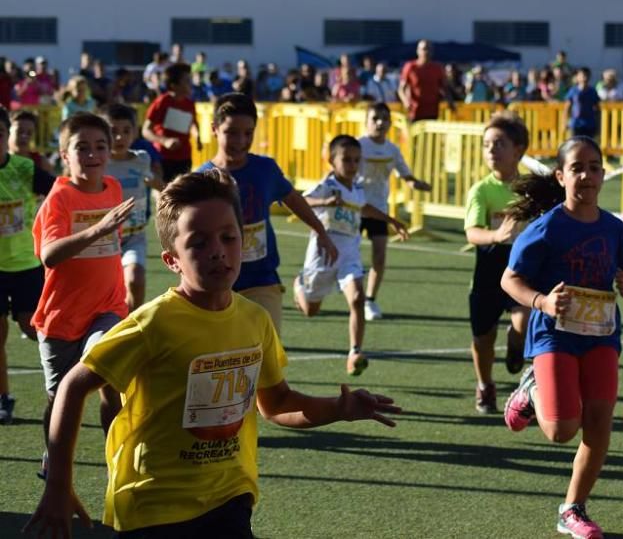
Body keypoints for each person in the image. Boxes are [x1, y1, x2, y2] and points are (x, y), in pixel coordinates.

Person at [24, 169, 401, 538]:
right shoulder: (153, 324)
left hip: (230, 497)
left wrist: (338, 409)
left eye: (228, 237)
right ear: (172, 260)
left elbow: (276, 402)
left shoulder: (254, 320)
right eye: (199, 243)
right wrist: (58, 485)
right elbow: (73, 386)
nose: (218, 252)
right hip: (156, 506)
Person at [501, 136, 623, 539]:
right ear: (561, 176)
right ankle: (530, 392)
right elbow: (509, 279)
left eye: (595, 167)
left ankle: (573, 508)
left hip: (601, 336)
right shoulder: (546, 229)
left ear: (603, 175)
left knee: (599, 425)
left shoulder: (615, 229)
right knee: (561, 430)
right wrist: (542, 302)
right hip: (555, 336)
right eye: (577, 168)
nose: (587, 175)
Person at [32, 112, 136, 478]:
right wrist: (100, 228)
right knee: (60, 398)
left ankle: (117, 458)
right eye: (82, 148)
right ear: (64, 154)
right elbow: (50, 254)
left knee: (109, 381)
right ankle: (54, 457)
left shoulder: (113, 187)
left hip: (107, 308)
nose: (92, 154)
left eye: (100, 146)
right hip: (61, 316)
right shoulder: (60, 197)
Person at [196, 94, 339, 335]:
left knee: (267, 349)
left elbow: (292, 198)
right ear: (214, 129)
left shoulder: (265, 169)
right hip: (216, 280)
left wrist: (320, 231)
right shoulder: (203, 178)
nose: (241, 141)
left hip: (261, 278)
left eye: (248, 133)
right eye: (231, 132)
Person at [292, 135, 408, 376]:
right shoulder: (327, 185)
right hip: (323, 251)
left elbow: (363, 207)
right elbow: (301, 200)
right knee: (311, 310)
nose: (352, 165)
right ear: (332, 161)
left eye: (356, 160)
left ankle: (354, 352)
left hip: (349, 252)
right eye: (346, 159)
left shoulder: (356, 187)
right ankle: (299, 285)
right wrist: (326, 201)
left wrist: (391, 220)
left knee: (356, 298)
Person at [464, 114, 532, 414]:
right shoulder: (481, 190)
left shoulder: (530, 189)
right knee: (483, 337)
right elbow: (472, 232)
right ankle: (485, 384)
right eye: (487, 144)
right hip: (488, 269)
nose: (491, 150)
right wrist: (497, 234)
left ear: (518, 150)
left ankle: (516, 345)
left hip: (522, 268)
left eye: (499, 144)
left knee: (524, 318)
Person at [0, 107, 55, 425]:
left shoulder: (24, 168)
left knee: (30, 327)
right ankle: (4, 398)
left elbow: (60, 192)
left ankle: (65, 366)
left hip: (25, 264)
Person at [356, 103, 430, 320]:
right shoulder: (358, 145)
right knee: (346, 255)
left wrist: (416, 184)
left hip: (379, 210)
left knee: (379, 257)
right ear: (366, 122)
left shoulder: (392, 149)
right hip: (355, 209)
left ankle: (370, 300)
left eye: (384, 119)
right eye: (375, 118)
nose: (380, 123)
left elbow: (405, 175)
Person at [102, 104, 163, 312]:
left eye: (126, 131)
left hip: (133, 236)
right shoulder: (99, 163)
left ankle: (131, 322)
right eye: (113, 131)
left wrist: (172, 193)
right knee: (103, 292)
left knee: (136, 279)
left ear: (135, 132)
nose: (119, 137)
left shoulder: (141, 159)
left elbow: (153, 181)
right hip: (103, 237)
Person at [143, 62, 201, 183]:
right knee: (166, 194)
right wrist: (165, 141)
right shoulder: (162, 102)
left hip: (184, 156)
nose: (191, 84)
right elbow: (146, 131)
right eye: (186, 81)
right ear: (174, 85)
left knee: (182, 193)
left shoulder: (190, 103)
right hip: (163, 157)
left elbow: (193, 124)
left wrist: (197, 137)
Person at [399, 39, 451, 122]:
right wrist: (406, 102)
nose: (426, 52)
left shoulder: (437, 68)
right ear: (418, 51)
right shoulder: (410, 67)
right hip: (415, 113)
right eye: (424, 49)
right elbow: (401, 89)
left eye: (429, 49)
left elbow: (444, 87)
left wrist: (450, 102)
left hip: (432, 112)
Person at [9, 110, 55, 175]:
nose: (24, 136)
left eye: (29, 133)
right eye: (20, 131)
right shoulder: (2, 160)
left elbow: (53, 183)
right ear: (8, 131)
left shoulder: (40, 162)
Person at [565, 67, 600, 139]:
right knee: (575, 145)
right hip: (576, 124)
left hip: (590, 124)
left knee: (588, 145)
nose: (584, 77)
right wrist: (565, 122)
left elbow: (597, 109)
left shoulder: (592, 91)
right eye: (582, 75)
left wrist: (598, 124)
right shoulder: (573, 91)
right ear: (577, 77)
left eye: (586, 75)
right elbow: (567, 107)